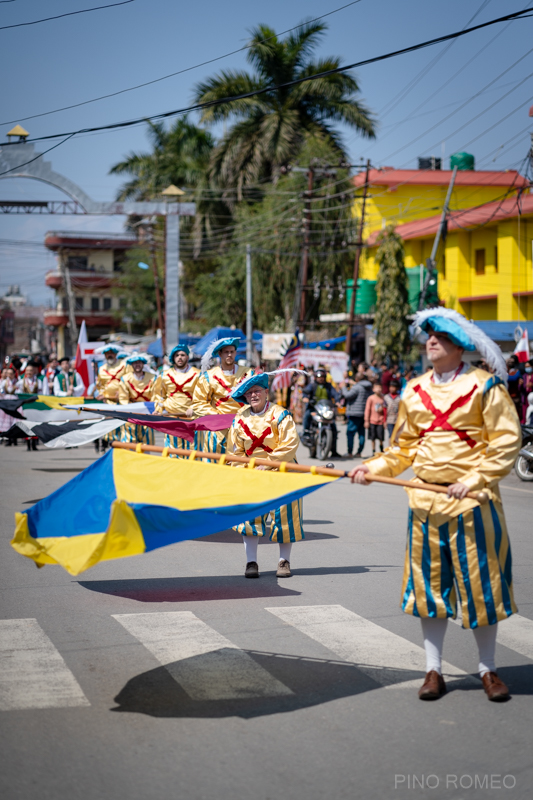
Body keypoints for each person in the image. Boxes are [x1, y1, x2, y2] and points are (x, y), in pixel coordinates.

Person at [350, 307, 521, 703]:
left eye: (440, 336)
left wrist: (474, 480)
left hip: (473, 504)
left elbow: (506, 442)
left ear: (459, 345)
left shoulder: (485, 387)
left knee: (482, 588)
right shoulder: (413, 389)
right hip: (425, 502)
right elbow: (402, 449)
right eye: (428, 335)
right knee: (429, 592)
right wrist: (371, 467)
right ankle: (433, 670)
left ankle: (488, 669)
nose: (430, 341)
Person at [229, 373, 303, 579]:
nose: (253, 395)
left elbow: (289, 445)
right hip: (251, 472)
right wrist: (242, 471)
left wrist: (269, 464)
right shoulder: (240, 417)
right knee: (250, 517)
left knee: (285, 517)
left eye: (257, 391)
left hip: (282, 471)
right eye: (250, 392)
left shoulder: (281, 414)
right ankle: (251, 562)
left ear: (265, 392)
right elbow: (235, 452)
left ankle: (283, 561)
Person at [192, 337, 252, 458]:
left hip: (242, 427)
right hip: (217, 430)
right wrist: (217, 416)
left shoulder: (248, 374)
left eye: (232, 352)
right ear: (220, 354)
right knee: (214, 465)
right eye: (226, 352)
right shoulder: (209, 376)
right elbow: (198, 402)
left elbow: (256, 399)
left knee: (240, 465)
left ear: (235, 353)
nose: (229, 355)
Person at [153, 344, 199, 456]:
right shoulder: (164, 375)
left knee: (192, 451)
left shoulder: (198, 374)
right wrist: (158, 409)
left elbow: (201, 396)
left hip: (191, 418)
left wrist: (193, 407)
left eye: (183, 355)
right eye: (177, 355)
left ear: (187, 357)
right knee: (172, 451)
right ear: (173, 358)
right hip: (171, 417)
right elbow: (160, 396)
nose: (180, 357)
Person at [302, 368, 341, 457]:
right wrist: (305, 398)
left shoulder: (329, 386)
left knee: (333, 427)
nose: (321, 379)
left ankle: (334, 451)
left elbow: (335, 394)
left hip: (325, 409)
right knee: (307, 415)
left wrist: (337, 401)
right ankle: (306, 433)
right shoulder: (312, 385)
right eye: (319, 377)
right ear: (315, 377)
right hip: (314, 408)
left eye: (322, 377)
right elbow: (305, 392)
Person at [117, 354, 156, 444]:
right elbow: (123, 398)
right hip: (131, 412)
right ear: (131, 365)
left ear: (143, 364)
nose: (137, 365)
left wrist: (154, 409)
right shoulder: (125, 379)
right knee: (129, 441)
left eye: (139, 362)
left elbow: (155, 395)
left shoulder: (152, 378)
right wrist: (128, 411)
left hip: (147, 413)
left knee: (147, 441)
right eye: (135, 363)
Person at [340, 372, 372, 458]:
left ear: (356, 379)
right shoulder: (369, 387)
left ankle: (350, 452)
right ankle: (359, 452)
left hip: (354, 413)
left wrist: (343, 387)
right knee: (361, 434)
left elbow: (347, 395)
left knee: (350, 433)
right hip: (364, 413)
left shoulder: (357, 387)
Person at [364, 381, 386, 455]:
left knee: (381, 437)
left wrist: (382, 409)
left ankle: (381, 449)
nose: (378, 389)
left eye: (380, 387)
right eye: (377, 387)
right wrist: (366, 420)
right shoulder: (371, 398)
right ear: (373, 389)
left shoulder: (383, 398)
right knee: (372, 437)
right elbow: (367, 409)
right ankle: (373, 451)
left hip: (380, 420)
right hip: (372, 420)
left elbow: (386, 409)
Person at [0, 366, 19, 441]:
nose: (9, 375)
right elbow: (1, 391)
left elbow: (19, 391)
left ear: (14, 374)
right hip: (7, 401)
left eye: (11, 374)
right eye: (8, 374)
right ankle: (7, 438)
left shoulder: (17, 381)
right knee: (7, 420)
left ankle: (14, 438)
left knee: (14, 419)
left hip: (14, 402)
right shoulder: (4, 382)